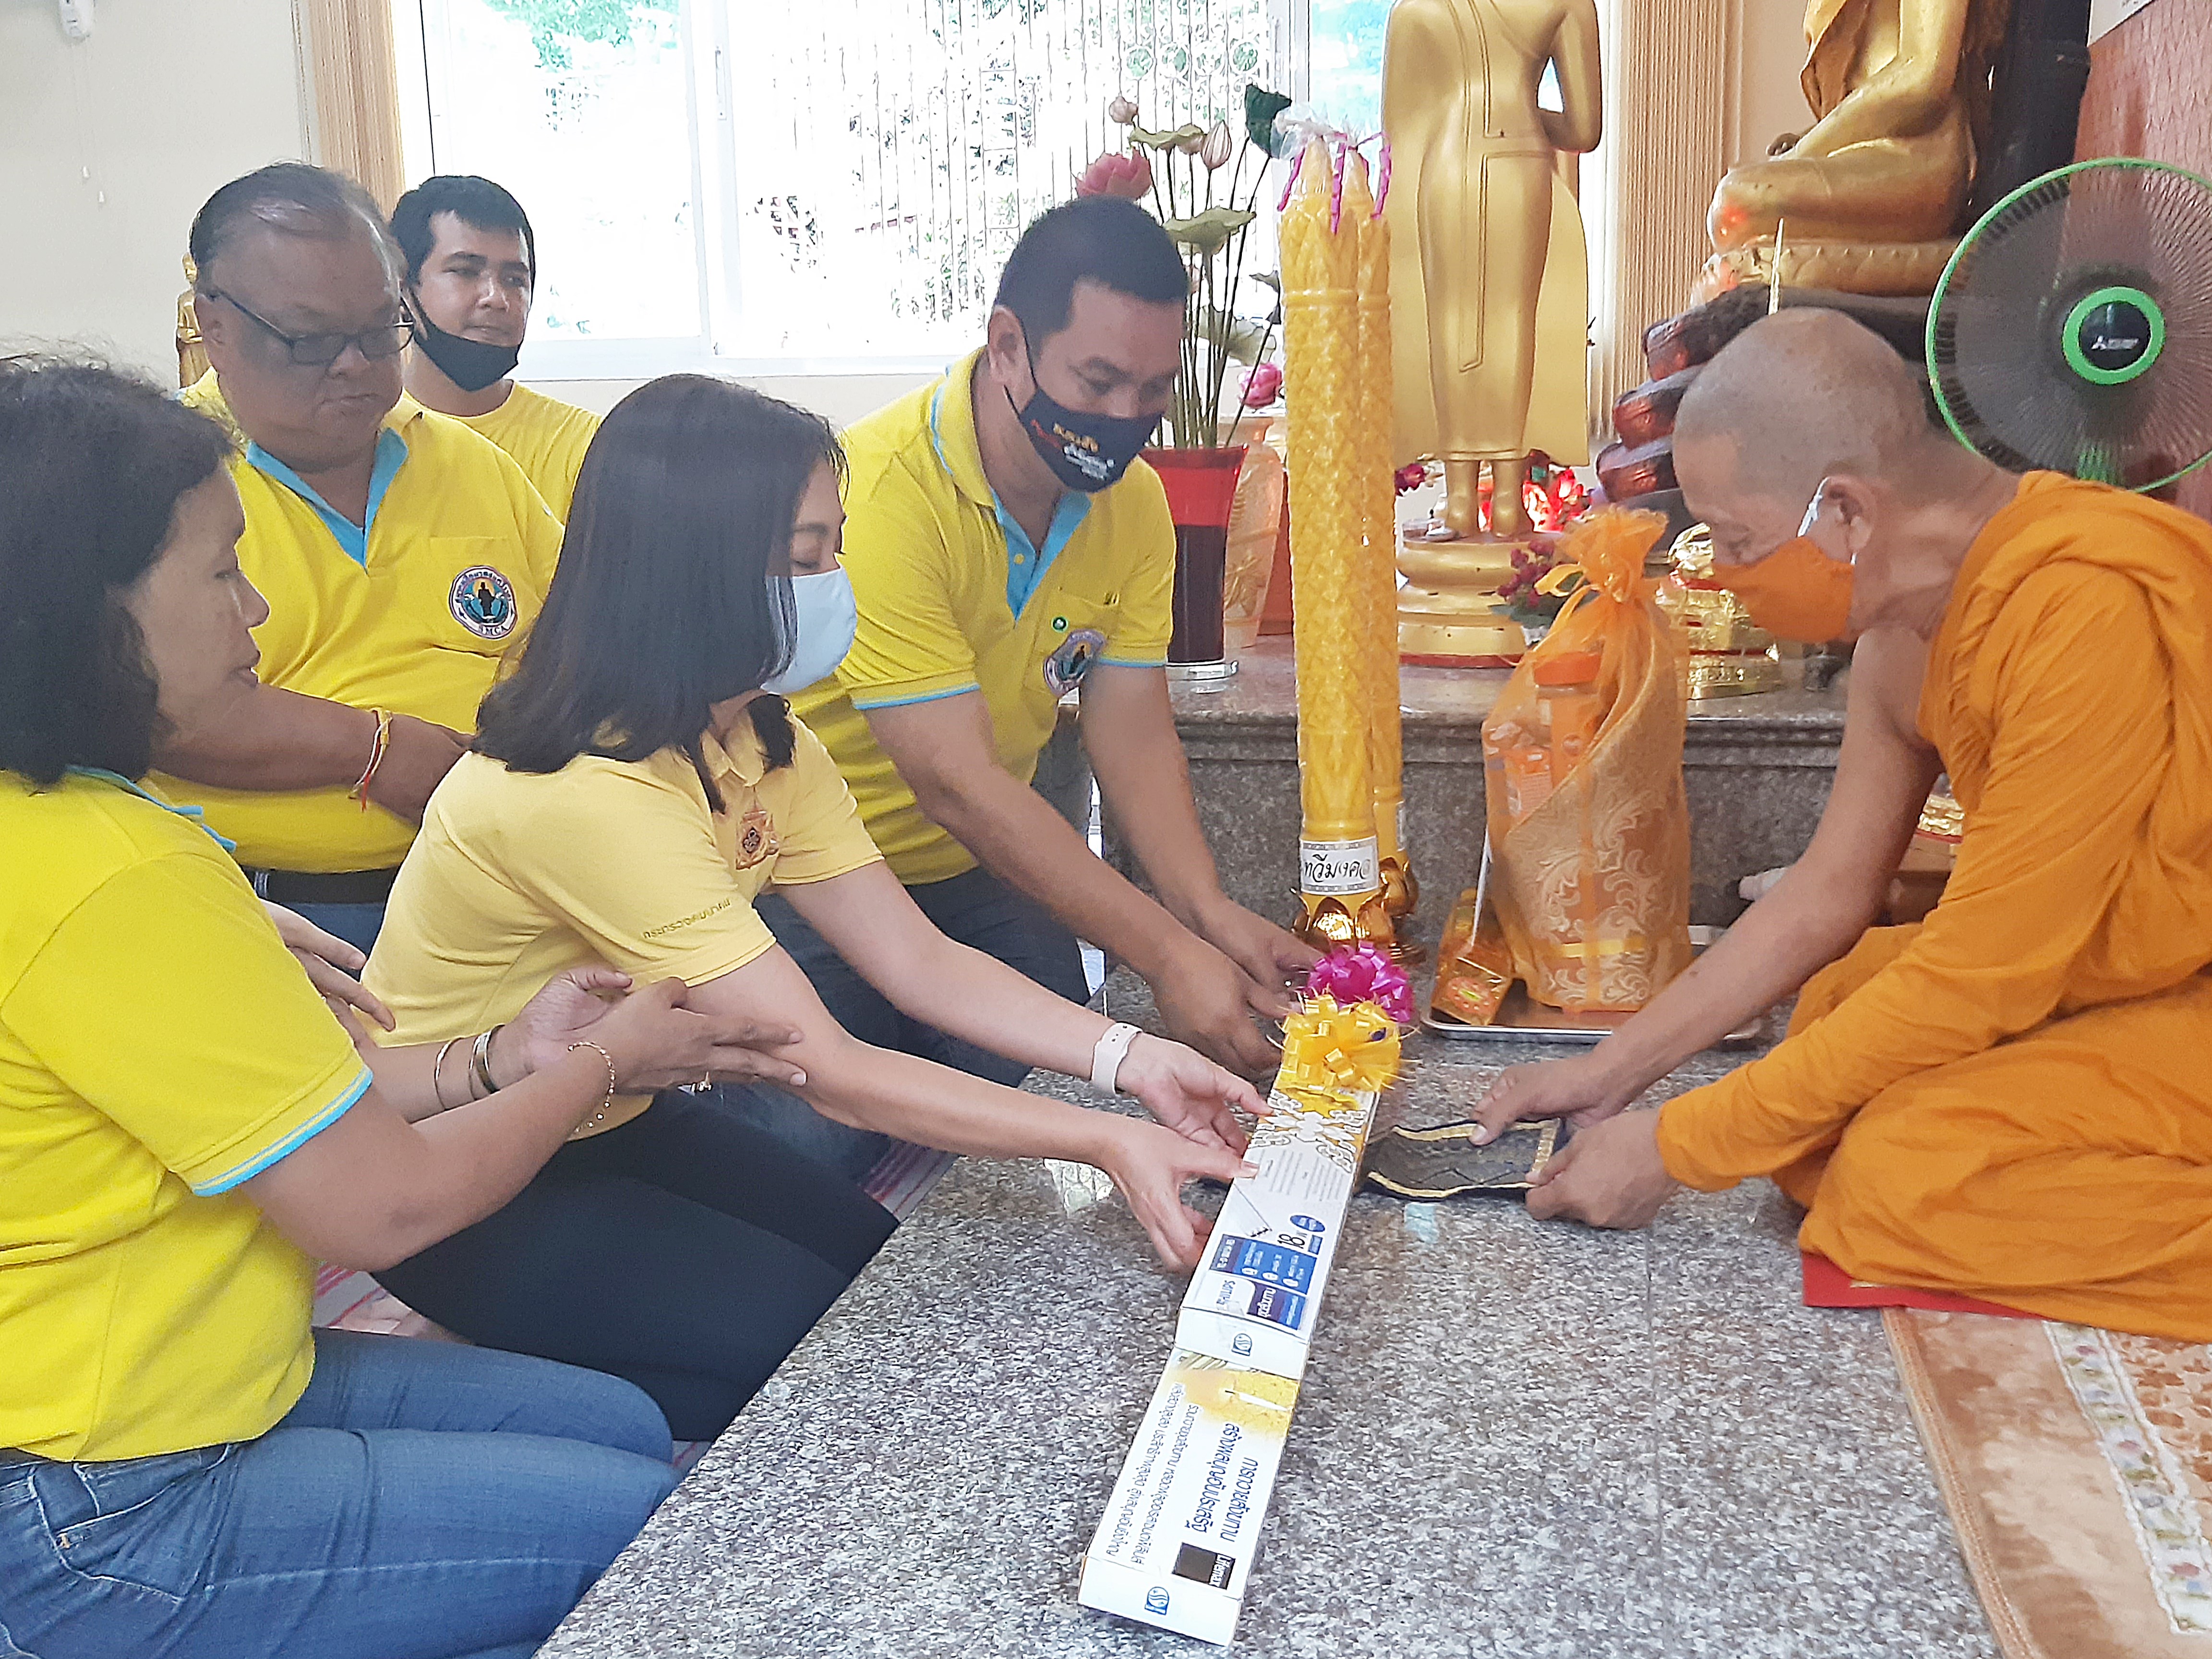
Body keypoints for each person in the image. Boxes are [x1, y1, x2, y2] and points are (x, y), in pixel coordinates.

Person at [0, 357, 803, 1659]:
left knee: (619, 1421)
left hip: (206, 1380)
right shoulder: (114, 872)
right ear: (86, 608)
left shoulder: (76, 822)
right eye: (220, 573)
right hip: (104, 1494)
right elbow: (381, 1206)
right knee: (656, 1532)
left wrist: (499, 1057)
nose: (257, 610)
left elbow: (282, 1106)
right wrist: (597, 1066)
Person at [362, 374, 1262, 1435]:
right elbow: (825, 1068)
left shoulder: (760, 739)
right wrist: (1104, 1140)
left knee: (866, 1279)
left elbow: (919, 960)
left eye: (836, 548)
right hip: (448, 1165)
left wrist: (1134, 1060)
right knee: (799, 1372)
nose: (836, 583)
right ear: (694, 570)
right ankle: (471, 1378)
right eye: (805, 557)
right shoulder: (586, 790)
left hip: (607, 1112)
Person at [1471, 309, 2212, 1340]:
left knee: (1895, 1178)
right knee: (1834, 1019)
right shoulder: (1901, 635)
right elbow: (1829, 891)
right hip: (2109, 977)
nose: (1720, 575)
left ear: (1848, 512)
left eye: (1737, 541)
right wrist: (1608, 1073)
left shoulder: (2083, 609)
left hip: (2185, 995)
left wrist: (1677, 1145)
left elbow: (1979, 975)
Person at [779, 195, 1315, 1169]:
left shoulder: (1134, 504)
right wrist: (1166, 955)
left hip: (975, 874)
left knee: (1060, 1115)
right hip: (817, 878)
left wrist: (1207, 914)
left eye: (1152, 390)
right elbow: (958, 785)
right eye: (1098, 381)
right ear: (1009, 347)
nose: (1122, 420)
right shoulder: (880, 494)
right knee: (819, 1160)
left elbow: (1131, 730)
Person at [154, 163, 565, 956]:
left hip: (503, 890)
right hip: (271, 918)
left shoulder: (470, 464)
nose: (354, 364)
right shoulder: (152, 481)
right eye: (310, 340)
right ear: (216, 325)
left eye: (379, 331)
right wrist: (378, 751)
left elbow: (577, 632)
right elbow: (145, 707)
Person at [392, 174, 603, 521]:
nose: (496, 298)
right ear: (403, 289)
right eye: (465, 272)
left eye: (515, 280)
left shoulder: (586, 446)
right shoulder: (363, 442)